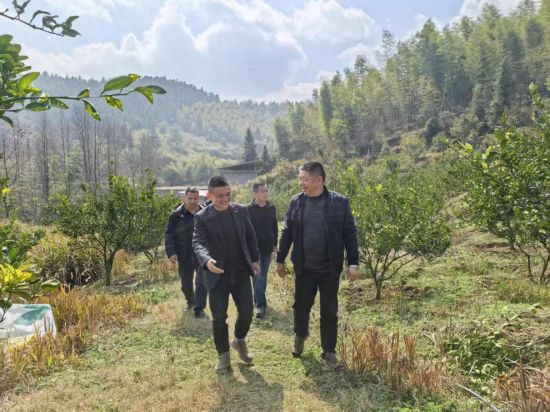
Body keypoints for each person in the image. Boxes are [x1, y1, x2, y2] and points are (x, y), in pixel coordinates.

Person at [276, 161, 359, 366]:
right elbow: (287, 232)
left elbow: (349, 233)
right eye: (300, 179)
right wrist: (280, 259)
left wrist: (353, 262)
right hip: (304, 268)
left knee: (329, 311)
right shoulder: (296, 202)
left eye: (305, 179)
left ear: (319, 180)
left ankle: (329, 351)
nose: (301, 183)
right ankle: (300, 335)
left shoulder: (339, 202)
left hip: (330, 269)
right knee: (301, 307)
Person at [192, 176, 261, 373]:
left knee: (247, 311)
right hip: (217, 274)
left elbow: (250, 237)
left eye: (228, 194)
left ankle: (239, 340)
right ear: (210, 195)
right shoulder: (202, 217)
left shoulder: (241, 211)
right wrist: (207, 260)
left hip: (240, 272)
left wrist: (255, 260)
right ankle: (223, 356)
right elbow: (198, 243)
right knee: (219, 317)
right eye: (220, 196)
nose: (225, 199)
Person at [164, 186, 208, 319]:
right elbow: (169, 235)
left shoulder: (205, 212)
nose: (192, 201)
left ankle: (199, 307)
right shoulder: (176, 215)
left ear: (198, 198)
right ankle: (190, 301)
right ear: (184, 198)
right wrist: (171, 252)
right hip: (184, 255)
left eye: (195, 198)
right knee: (186, 282)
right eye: (190, 198)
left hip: (201, 255)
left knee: (202, 281)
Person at [246, 182, 278, 319]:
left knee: (262, 276)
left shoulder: (271, 208)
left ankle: (257, 299)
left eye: (266, 191)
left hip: (267, 248)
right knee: (258, 275)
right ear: (255, 194)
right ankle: (260, 305)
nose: (265, 193)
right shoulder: (248, 210)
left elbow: (274, 227)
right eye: (262, 191)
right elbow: (245, 230)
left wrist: (275, 245)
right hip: (254, 249)